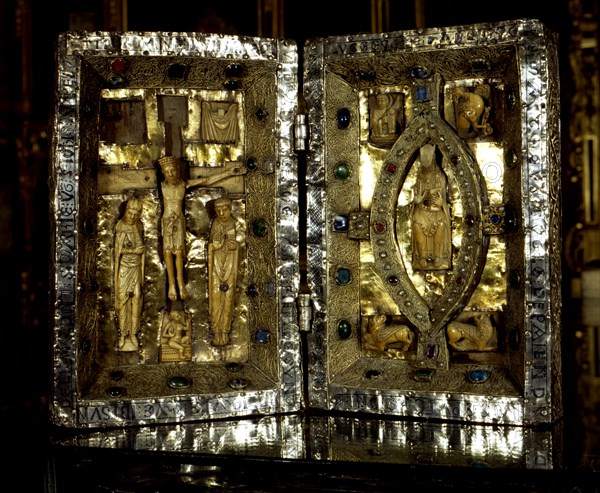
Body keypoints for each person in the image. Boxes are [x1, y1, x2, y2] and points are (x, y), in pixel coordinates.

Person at [158, 155, 246, 301]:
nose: (171, 174)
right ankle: (172, 284)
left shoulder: (183, 185)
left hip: (179, 221)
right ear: (163, 174)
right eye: (167, 172)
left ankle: (180, 283)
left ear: (177, 170)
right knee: (167, 252)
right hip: (167, 221)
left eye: (173, 170)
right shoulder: (163, 186)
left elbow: (207, 180)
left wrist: (230, 172)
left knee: (179, 252)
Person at [411, 143, 452, 270]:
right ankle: (422, 256)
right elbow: (414, 196)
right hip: (422, 210)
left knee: (441, 224)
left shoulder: (440, 177)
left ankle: (438, 256)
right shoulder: (418, 177)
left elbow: (444, 199)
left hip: (436, 211)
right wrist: (416, 200)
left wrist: (441, 203)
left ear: (434, 159)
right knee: (416, 223)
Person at [114, 198, 145, 351]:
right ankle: (122, 334)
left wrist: (139, 251)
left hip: (136, 268)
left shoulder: (139, 226)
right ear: (126, 212)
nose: (132, 217)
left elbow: (142, 248)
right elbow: (118, 253)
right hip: (124, 269)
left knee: (137, 298)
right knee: (123, 300)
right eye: (130, 213)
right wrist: (133, 251)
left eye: (135, 214)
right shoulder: (121, 227)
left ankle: (133, 333)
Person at [208, 197, 239, 346]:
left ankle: (225, 332)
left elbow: (235, 246)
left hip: (230, 267)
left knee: (228, 298)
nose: (221, 213)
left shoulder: (233, 223)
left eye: (224, 210)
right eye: (218, 211)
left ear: (230, 208)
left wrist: (231, 245)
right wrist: (215, 246)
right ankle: (216, 331)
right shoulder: (215, 224)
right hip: (216, 266)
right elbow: (212, 246)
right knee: (215, 299)